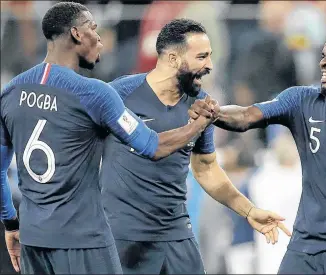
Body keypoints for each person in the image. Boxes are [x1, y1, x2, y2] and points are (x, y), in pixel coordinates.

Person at [0, 3, 215, 274]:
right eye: (93, 29)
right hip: (83, 242)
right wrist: (197, 125)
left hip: (33, 240)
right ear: (77, 34)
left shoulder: (11, 91)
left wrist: (10, 223)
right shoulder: (94, 94)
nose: (100, 38)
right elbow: (153, 146)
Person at [189, 27, 326, 274]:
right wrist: (213, 113)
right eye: (323, 55)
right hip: (305, 247)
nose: (323, 61)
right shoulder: (301, 100)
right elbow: (247, 115)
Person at [100, 18, 291, 275]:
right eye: (201, 57)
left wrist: (249, 210)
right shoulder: (119, 95)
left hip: (176, 234)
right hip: (123, 237)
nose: (209, 65)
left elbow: (205, 168)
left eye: (210, 56)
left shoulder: (200, 102)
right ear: (172, 59)